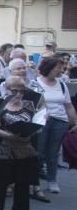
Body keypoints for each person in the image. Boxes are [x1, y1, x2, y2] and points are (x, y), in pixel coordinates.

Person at [0, 76, 40, 210]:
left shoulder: (28, 105)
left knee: (23, 181)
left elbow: (37, 122)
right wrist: (7, 134)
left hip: (24, 148)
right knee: (0, 181)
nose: (18, 95)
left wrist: (35, 128)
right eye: (14, 91)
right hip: (3, 148)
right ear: (6, 89)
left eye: (21, 91)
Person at [32, 55, 77, 195]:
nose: (61, 70)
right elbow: (32, 104)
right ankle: (34, 181)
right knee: (38, 152)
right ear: (49, 68)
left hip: (60, 122)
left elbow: (68, 106)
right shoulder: (35, 83)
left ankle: (52, 180)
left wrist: (74, 122)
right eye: (58, 67)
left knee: (53, 152)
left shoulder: (62, 84)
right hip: (42, 121)